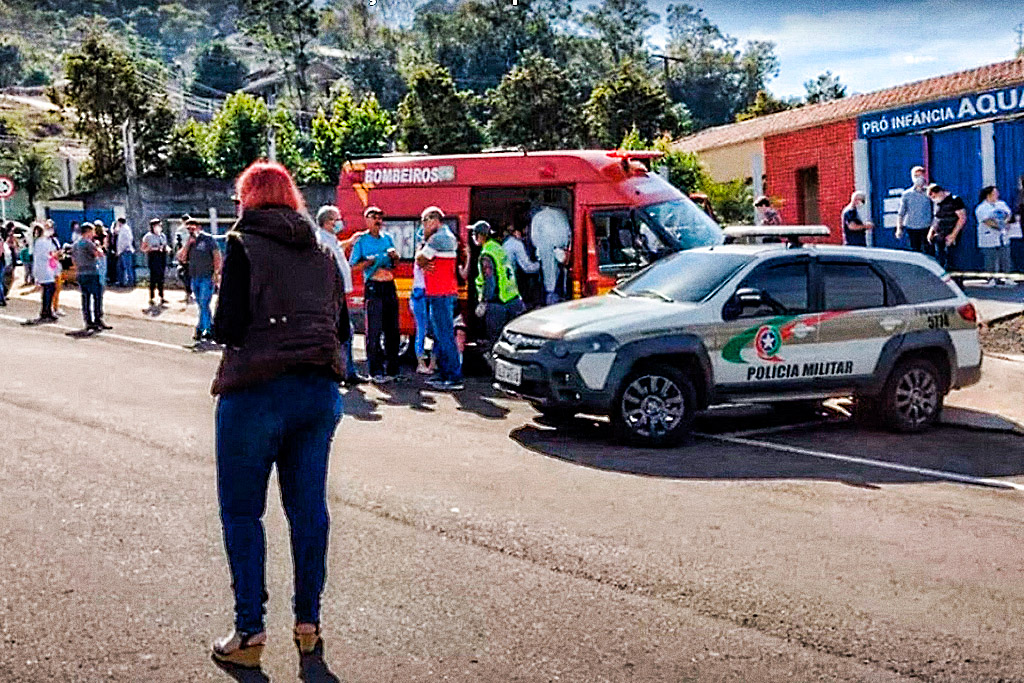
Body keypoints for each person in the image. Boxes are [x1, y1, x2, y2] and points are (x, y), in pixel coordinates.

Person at [209, 161, 345, 669]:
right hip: (318, 391)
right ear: (293, 200)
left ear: (247, 199)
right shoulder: (321, 251)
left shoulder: (243, 245)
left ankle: (250, 632)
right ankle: (308, 626)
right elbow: (339, 323)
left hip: (256, 391)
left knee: (244, 513)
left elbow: (227, 327)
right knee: (308, 510)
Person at [349, 205, 401, 383]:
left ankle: (393, 370)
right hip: (373, 287)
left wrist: (395, 257)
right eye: (374, 216)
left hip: (389, 286)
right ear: (367, 219)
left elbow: (395, 263)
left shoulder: (388, 238)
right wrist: (368, 262)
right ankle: (375, 371)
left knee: (393, 330)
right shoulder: (362, 241)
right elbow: (353, 266)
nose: (378, 220)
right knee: (374, 330)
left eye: (380, 217)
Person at [315, 204, 364, 386]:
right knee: (342, 333)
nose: (340, 222)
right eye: (336, 219)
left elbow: (337, 250)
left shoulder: (331, 239)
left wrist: (350, 242)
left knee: (346, 332)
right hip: (332, 295)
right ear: (327, 222)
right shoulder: (322, 241)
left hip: (339, 293)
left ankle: (348, 371)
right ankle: (342, 371)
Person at [415, 206, 463, 391]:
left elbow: (419, 259)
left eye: (424, 221)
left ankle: (453, 377)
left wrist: (424, 260)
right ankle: (445, 374)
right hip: (441, 292)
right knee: (441, 336)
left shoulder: (438, 238)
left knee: (444, 336)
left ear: (433, 220)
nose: (423, 226)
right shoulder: (445, 236)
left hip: (441, 294)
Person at [472, 221, 526, 353]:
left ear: (481, 235)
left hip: (497, 303)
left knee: (495, 341)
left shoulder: (486, 254)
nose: (473, 238)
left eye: (474, 234)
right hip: (513, 299)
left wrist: (483, 302)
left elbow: (489, 279)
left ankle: (498, 370)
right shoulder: (498, 247)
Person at [177, 217, 222, 344]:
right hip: (194, 276)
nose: (191, 229)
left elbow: (217, 256)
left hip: (207, 276)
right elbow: (182, 258)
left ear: (199, 227)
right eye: (189, 227)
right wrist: (188, 244)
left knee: (204, 302)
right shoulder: (190, 242)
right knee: (201, 304)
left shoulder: (208, 239)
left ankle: (205, 329)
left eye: (193, 226)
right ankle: (206, 327)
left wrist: (216, 273)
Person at [71, 223, 111, 332]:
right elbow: (99, 254)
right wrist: (99, 247)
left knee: (85, 298)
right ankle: (98, 319)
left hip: (81, 273)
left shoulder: (75, 244)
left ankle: (88, 321)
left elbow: (73, 260)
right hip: (91, 272)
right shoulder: (89, 243)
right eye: (92, 231)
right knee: (97, 297)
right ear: (88, 232)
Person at [530, 203, 571, 305]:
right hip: (560, 250)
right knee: (560, 276)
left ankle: (549, 298)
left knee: (548, 277)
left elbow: (534, 237)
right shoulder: (561, 215)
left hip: (545, 250)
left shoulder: (538, 217)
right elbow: (568, 234)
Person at [975, 186, 1015, 288]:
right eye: (995, 193)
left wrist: (1005, 223)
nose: (997, 195)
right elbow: (986, 220)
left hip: (1003, 235)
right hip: (989, 236)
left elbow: (1008, 214)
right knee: (990, 258)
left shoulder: (1001, 204)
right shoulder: (981, 208)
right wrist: (999, 226)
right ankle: (991, 279)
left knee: (1005, 257)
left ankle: (1007, 277)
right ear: (988, 195)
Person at [927, 184, 967, 271]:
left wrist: (953, 235)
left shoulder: (955, 200)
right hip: (939, 235)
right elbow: (936, 218)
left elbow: (962, 218)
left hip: (951, 233)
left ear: (939, 192)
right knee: (940, 258)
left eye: (934, 196)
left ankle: (955, 280)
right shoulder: (937, 203)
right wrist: (931, 231)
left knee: (952, 260)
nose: (933, 199)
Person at [502, 224, 541, 309]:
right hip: (510, 283)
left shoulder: (503, 243)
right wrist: (540, 265)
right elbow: (527, 267)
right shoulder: (516, 244)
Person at [896, 166, 933, 255]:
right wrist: (899, 229)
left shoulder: (930, 192)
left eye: (921, 175)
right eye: (916, 176)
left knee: (929, 252)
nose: (918, 178)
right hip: (912, 228)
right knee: (915, 253)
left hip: (927, 227)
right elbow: (901, 213)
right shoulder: (907, 194)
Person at [26, 223, 58, 324]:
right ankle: (46, 311)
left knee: (49, 289)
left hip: (43, 268)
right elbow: (47, 254)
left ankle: (47, 310)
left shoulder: (39, 242)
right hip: (44, 268)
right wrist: (53, 255)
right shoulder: (42, 242)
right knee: (50, 289)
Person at [141, 218, 169, 306]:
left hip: (162, 257)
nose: (159, 227)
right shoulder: (148, 236)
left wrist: (166, 248)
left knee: (161, 277)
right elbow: (143, 248)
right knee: (153, 278)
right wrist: (151, 248)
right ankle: (151, 297)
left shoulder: (162, 236)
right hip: (153, 257)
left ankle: (161, 296)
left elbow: (165, 245)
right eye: (157, 225)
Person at [115, 217, 136, 287]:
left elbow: (125, 241)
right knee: (120, 267)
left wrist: (121, 250)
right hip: (122, 251)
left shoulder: (125, 229)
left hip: (125, 251)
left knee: (127, 267)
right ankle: (121, 281)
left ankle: (130, 281)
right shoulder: (122, 229)